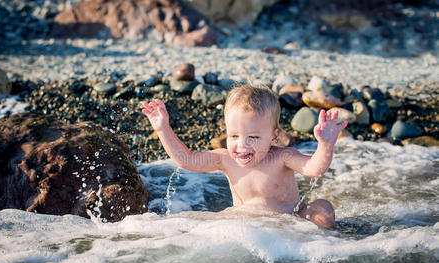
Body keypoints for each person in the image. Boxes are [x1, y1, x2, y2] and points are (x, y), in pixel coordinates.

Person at [141, 84, 347, 229]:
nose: (242, 145)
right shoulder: (225, 159)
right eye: (234, 136)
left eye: (253, 137)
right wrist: (162, 128)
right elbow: (186, 160)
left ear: (274, 137)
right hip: (245, 223)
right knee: (201, 224)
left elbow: (315, 169)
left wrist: (326, 144)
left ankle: (332, 243)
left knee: (323, 209)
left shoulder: (282, 157)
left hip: (290, 220)